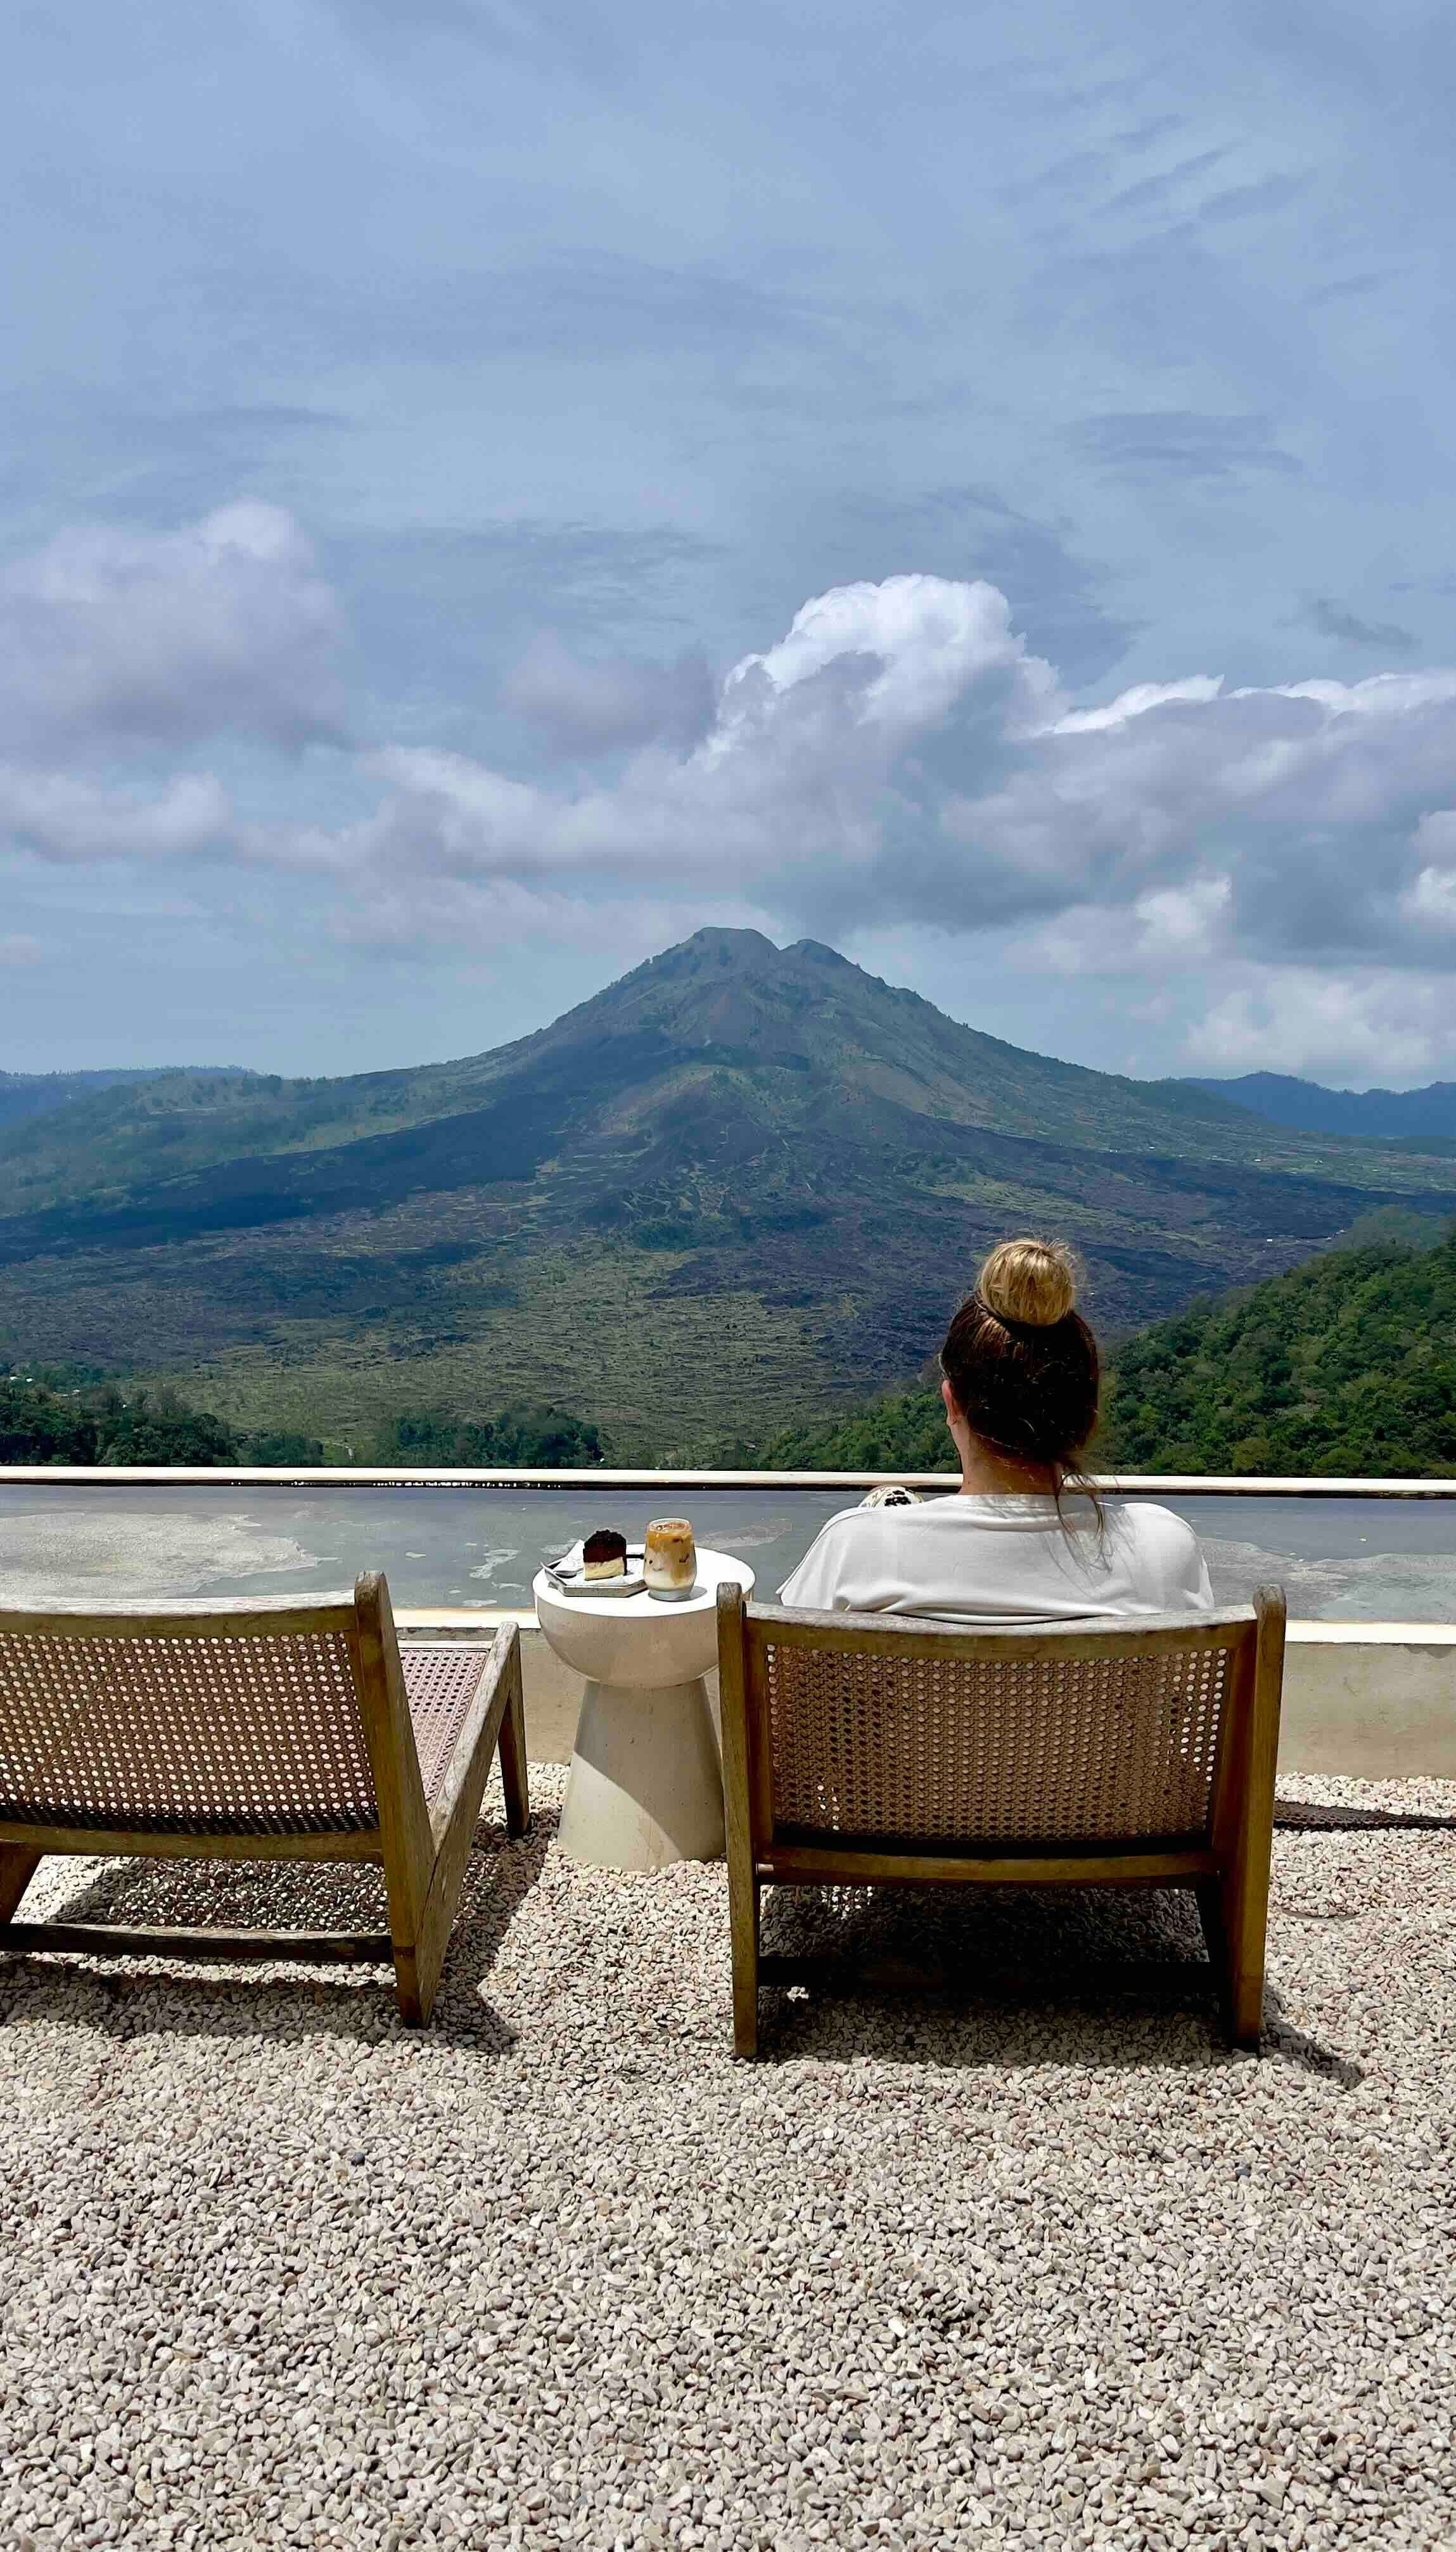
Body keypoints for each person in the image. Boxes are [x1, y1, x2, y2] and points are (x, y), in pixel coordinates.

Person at [778, 1236, 1212, 1624]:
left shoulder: (856, 1550)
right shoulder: (1163, 1550)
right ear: (1087, 1412)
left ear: (953, 1403)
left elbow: (782, 1699)